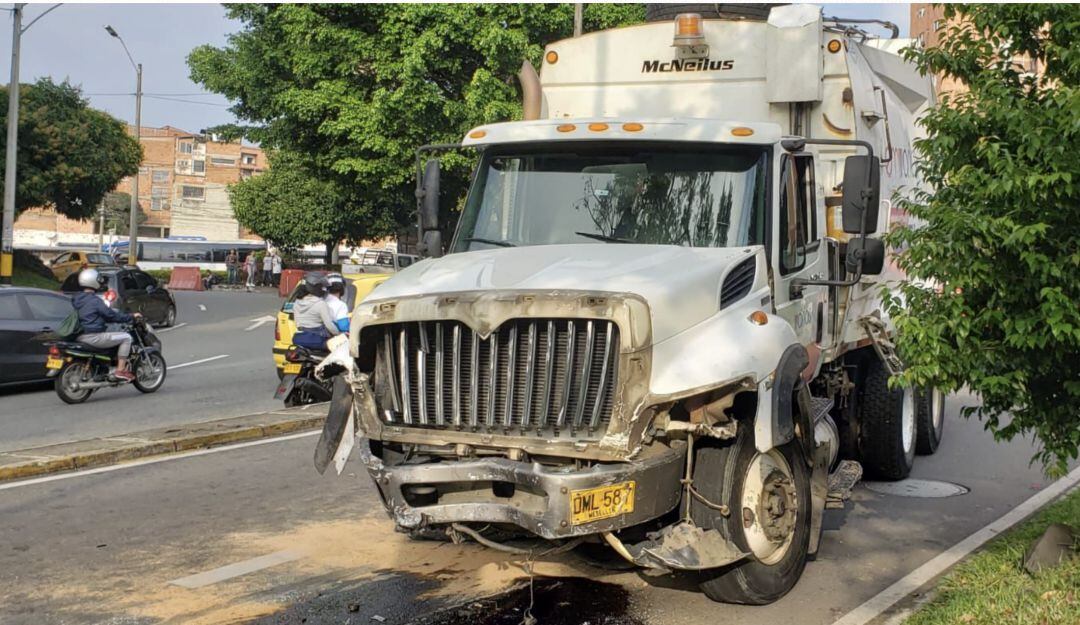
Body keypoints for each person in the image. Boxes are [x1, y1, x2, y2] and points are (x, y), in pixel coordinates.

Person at [71, 268, 142, 381]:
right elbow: (111, 315)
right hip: (93, 336)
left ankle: (105, 368)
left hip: (79, 335)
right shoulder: (95, 301)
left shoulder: (76, 299)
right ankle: (120, 370)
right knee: (126, 337)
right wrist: (131, 316)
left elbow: (91, 315)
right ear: (94, 281)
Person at [291, 274, 340, 350]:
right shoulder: (320, 304)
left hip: (298, 338)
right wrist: (339, 334)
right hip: (317, 340)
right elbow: (330, 325)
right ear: (317, 288)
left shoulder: (297, 302)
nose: (324, 290)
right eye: (322, 287)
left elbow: (297, 322)